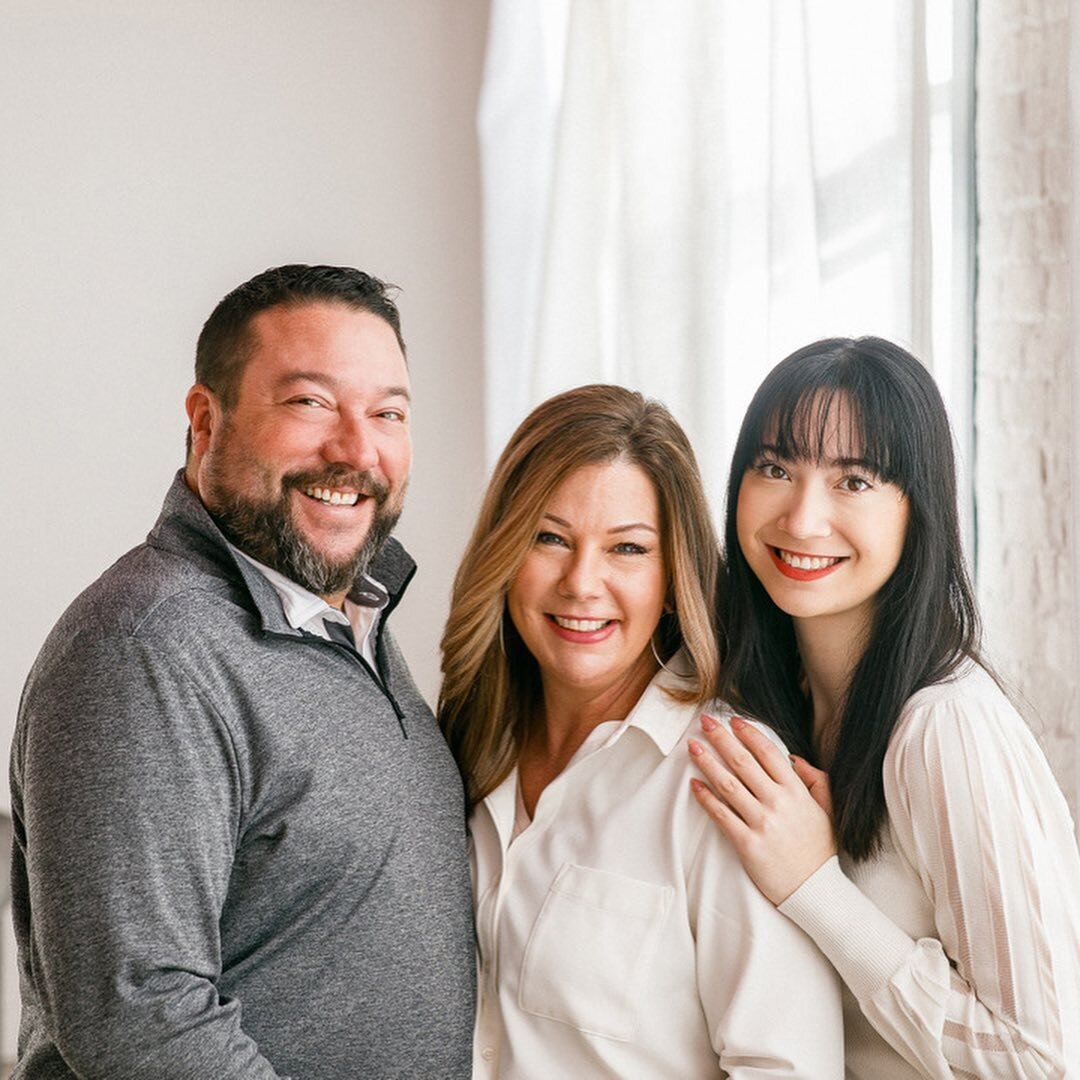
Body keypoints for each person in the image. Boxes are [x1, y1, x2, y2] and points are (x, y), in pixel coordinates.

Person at [10, 264, 475, 1078]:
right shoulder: (146, 648)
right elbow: (144, 1021)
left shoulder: (347, 620)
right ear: (205, 420)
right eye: (310, 402)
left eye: (388, 413)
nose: (356, 450)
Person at [689, 336, 1080, 1078]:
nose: (802, 518)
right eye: (774, 468)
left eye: (855, 481)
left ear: (917, 509)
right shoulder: (778, 706)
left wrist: (817, 888)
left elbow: (1043, 1059)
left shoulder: (944, 726)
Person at [438, 384, 844, 1078]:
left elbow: (789, 1067)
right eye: (549, 537)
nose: (581, 582)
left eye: (627, 548)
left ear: (671, 574)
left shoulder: (727, 774)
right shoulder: (469, 742)